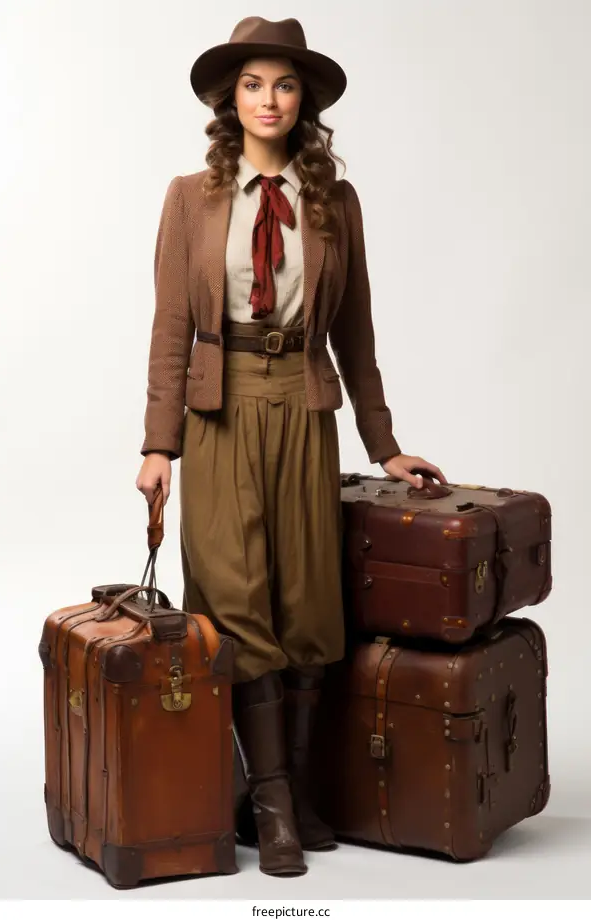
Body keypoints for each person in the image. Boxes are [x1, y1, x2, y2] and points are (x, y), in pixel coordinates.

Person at [135, 16, 446, 877]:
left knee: (307, 600)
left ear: (303, 99)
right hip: (219, 411)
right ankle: (269, 802)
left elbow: (357, 332)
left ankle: (296, 788)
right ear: (228, 101)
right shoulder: (189, 197)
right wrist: (159, 446)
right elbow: (169, 329)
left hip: (304, 404)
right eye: (251, 84)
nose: (268, 99)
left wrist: (384, 446)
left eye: (283, 84)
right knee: (235, 597)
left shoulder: (333, 201)